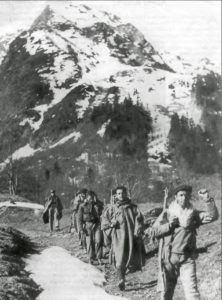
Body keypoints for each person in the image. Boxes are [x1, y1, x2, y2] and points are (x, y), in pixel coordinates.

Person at [150, 185, 218, 300]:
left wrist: (207, 199)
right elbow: (152, 232)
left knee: (192, 292)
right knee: (167, 292)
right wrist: (169, 225)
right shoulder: (168, 213)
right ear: (176, 197)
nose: (184, 198)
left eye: (187, 195)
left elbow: (212, 216)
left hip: (187, 258)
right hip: (169, 259)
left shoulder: (193, 214)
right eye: (181, 195)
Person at [101, 186, 145, 291]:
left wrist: (137, 230)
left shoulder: (133, 207)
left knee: (129, 259)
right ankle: (121, 279)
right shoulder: (111, 208)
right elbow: (104, 221)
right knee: (119, 259)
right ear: (116, 195)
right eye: (119, 193)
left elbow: (139, 219)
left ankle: (123, 278)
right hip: (117, 237)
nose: (121, 195)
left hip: (130, 237)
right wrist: (111, 224)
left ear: (126, 194)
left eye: (122, 193)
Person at [77, 190, 103, 264]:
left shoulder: (97, 204)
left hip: (97, 224)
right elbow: (79, 219)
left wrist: (97, 202)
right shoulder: (82, 206)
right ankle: (91, 258)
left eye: (91, 196)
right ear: (86, 197)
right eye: (89, 196)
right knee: (89, 242)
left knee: (98, 240)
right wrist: (81, 229)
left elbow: (103, 210)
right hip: (88, 225)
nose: (90, 198)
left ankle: (98, 257)